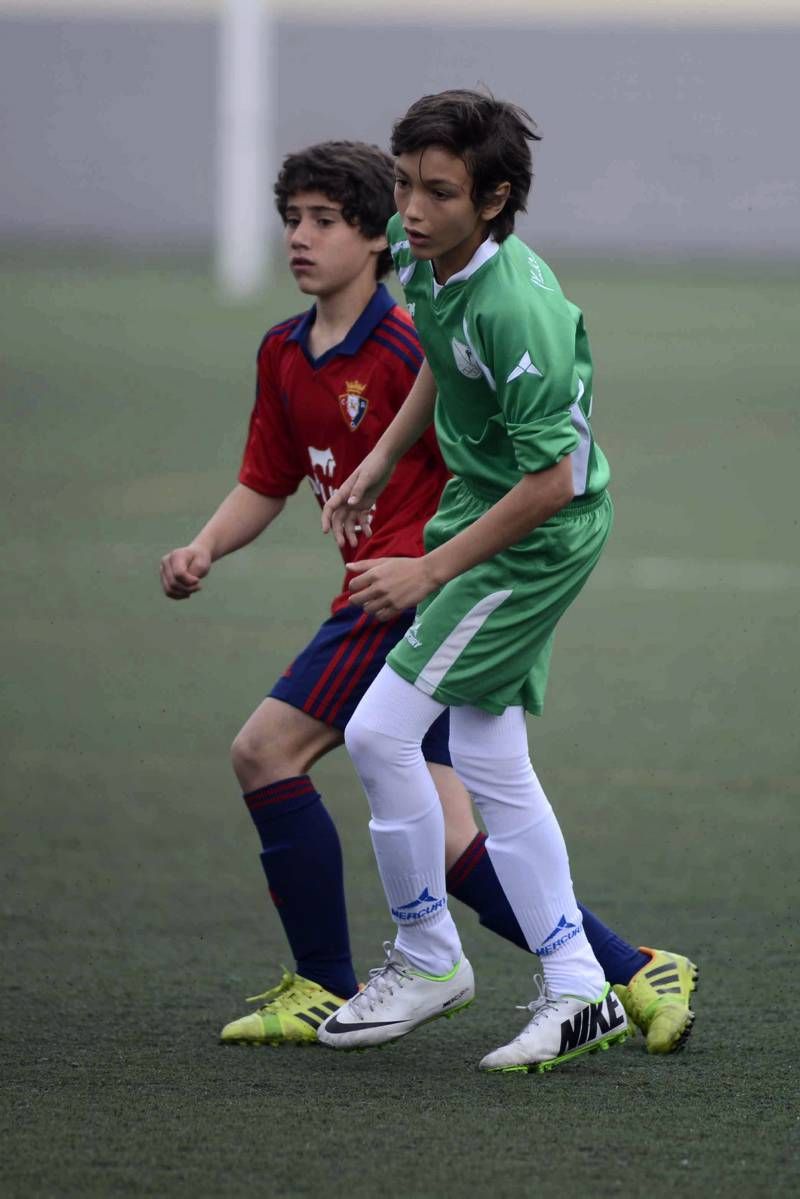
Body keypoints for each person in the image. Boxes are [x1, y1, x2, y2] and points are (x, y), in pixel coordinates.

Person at [160, 138, 696, 1058]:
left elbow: (545, 475)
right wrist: (219, 538)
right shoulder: (325, 335)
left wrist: (428, 569)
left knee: (290, 750)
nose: (301, 237)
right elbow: (275, 474)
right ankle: (609, 971)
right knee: (464, 800)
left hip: (431, 579)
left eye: (326, 219)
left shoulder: (468, 311)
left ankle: (400, 966)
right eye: (292, 218)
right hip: (424, 572)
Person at [318, 93, 696, 1072]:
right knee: (486, 756)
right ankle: (577, 988)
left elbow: (552, 479)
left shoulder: (513, 303)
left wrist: (427, 567)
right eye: (402, 183)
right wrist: (376, 463)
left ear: (491, 199)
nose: (408, 207)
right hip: (491, 517)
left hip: (531, 539)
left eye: (436, 191)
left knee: (375, 731)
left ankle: (427, 955)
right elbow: (443, 364)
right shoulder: (433, 267)